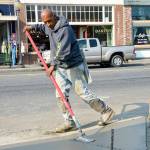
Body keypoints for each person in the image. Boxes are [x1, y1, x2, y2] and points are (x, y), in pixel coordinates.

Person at [23, 9, 115, 133]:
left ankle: (106, 111)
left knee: (83, 93)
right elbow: (41, 27)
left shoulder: (65, 30)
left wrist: (52, 65)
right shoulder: (48, 26)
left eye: (49, 21)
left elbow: (63, 51)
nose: (48, 24)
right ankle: (69, 122)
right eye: (45, 22)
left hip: (73, 64)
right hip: (61, 66)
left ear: (54, 17)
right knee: (60, 95)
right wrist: (31, 27)